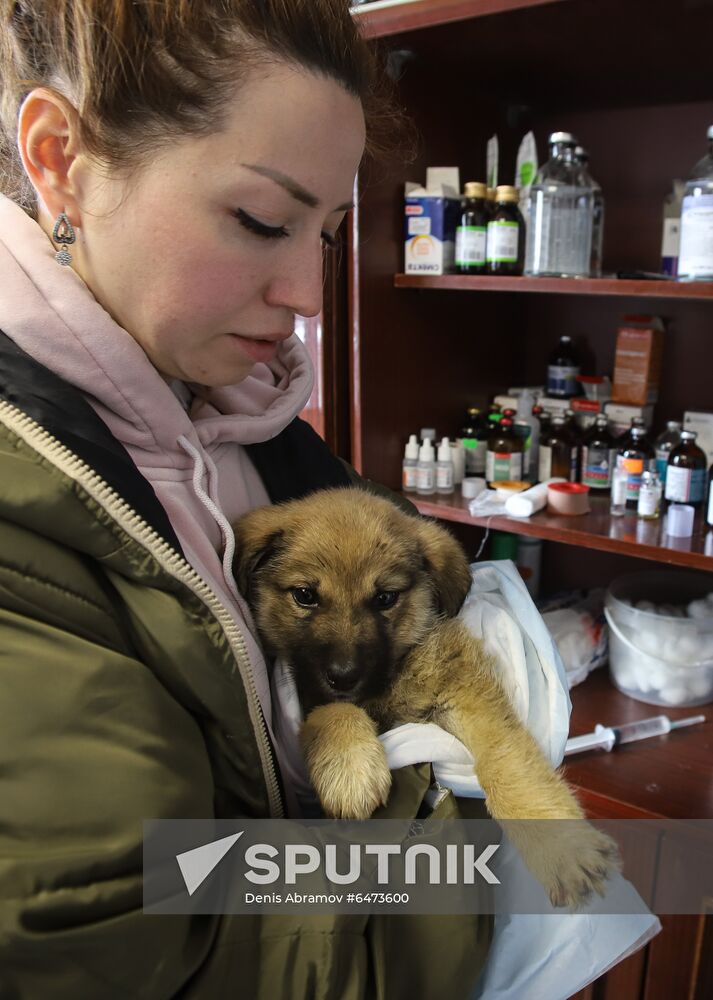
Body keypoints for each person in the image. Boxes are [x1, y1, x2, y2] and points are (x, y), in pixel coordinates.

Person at [0, 2, 492, 996]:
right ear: (61, 160)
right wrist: (464, 829)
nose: (309, 293)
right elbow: (157, 943)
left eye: (327, 232)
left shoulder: (247, 424)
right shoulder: (27, 525)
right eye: (262, 221)